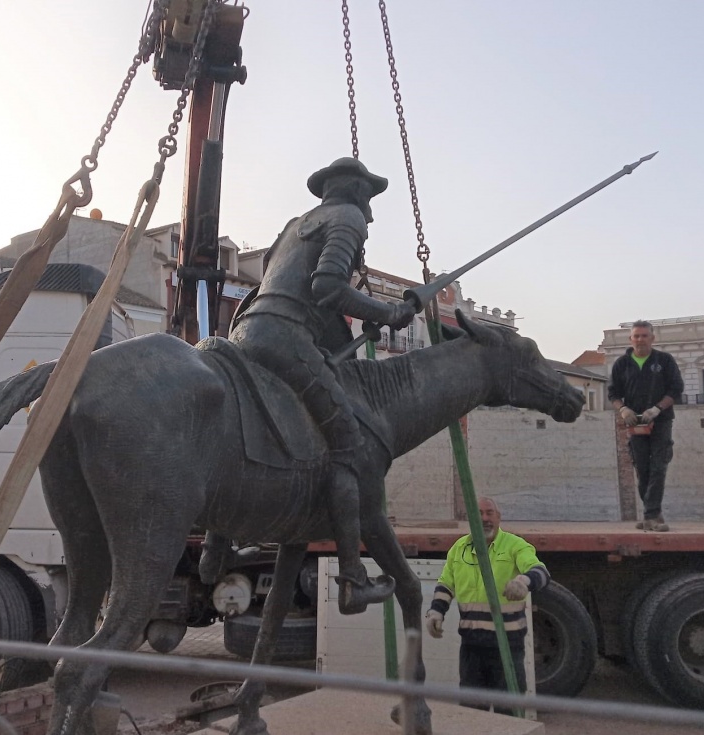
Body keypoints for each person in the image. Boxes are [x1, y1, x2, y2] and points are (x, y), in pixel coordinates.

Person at [227, 157, 416, 615]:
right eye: (369, 196)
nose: (371, 211)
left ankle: (220, 544)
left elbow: (281, 284)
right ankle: (353, 578)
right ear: (355, 190)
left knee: (252, 425)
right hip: (286, 339)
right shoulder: (348, 218)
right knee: (349, 447)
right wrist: (391, 314)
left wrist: (337, 341)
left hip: (247, 332)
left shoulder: (295, 225)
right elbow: (328, 287)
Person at [424, 497, 550, 714]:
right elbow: (446, 585)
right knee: (473, 713)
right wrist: (436, 612)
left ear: (498, 517)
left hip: (507, 646)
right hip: (472, 646)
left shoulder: (515, 545)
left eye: (489, 513)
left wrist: (524, 582)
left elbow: (541, 572)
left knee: (508, 711)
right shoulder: (459, 549)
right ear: (470, 518)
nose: (484, 518)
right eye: (479, 513)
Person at [608, 320, 684, 532]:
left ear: (652, 338)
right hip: (636, 423)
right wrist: (623, 409)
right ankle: (653, 514)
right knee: (642, 469)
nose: (640, 340)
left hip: (661, 421)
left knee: (659, 466)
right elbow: (613, 393)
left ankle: (650, 516)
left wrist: (657, 409)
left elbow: (676, 389)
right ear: (630, 339)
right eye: (636, 336)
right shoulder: (622, 364)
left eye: (644, 336)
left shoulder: (664, 361)